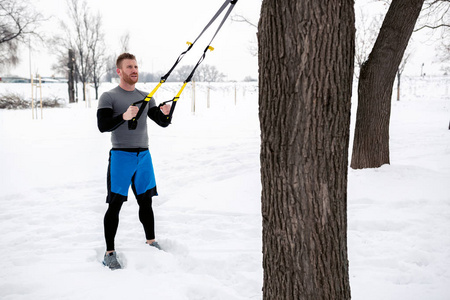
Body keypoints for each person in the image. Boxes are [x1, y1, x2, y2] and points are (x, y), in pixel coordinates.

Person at [97, 53, 171, 270]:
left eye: (136, 66)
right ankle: (109, 252)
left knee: (146, 202)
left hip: (144, 157)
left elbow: (162, 122)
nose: (134, 70)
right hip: (121, 156)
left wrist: (166, 113)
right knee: (115, 205)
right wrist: (123, 117)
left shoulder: (147, 96)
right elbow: (103, 125)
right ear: (119, 71)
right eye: (129, 67)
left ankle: (151, 241)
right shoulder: (109, 97)